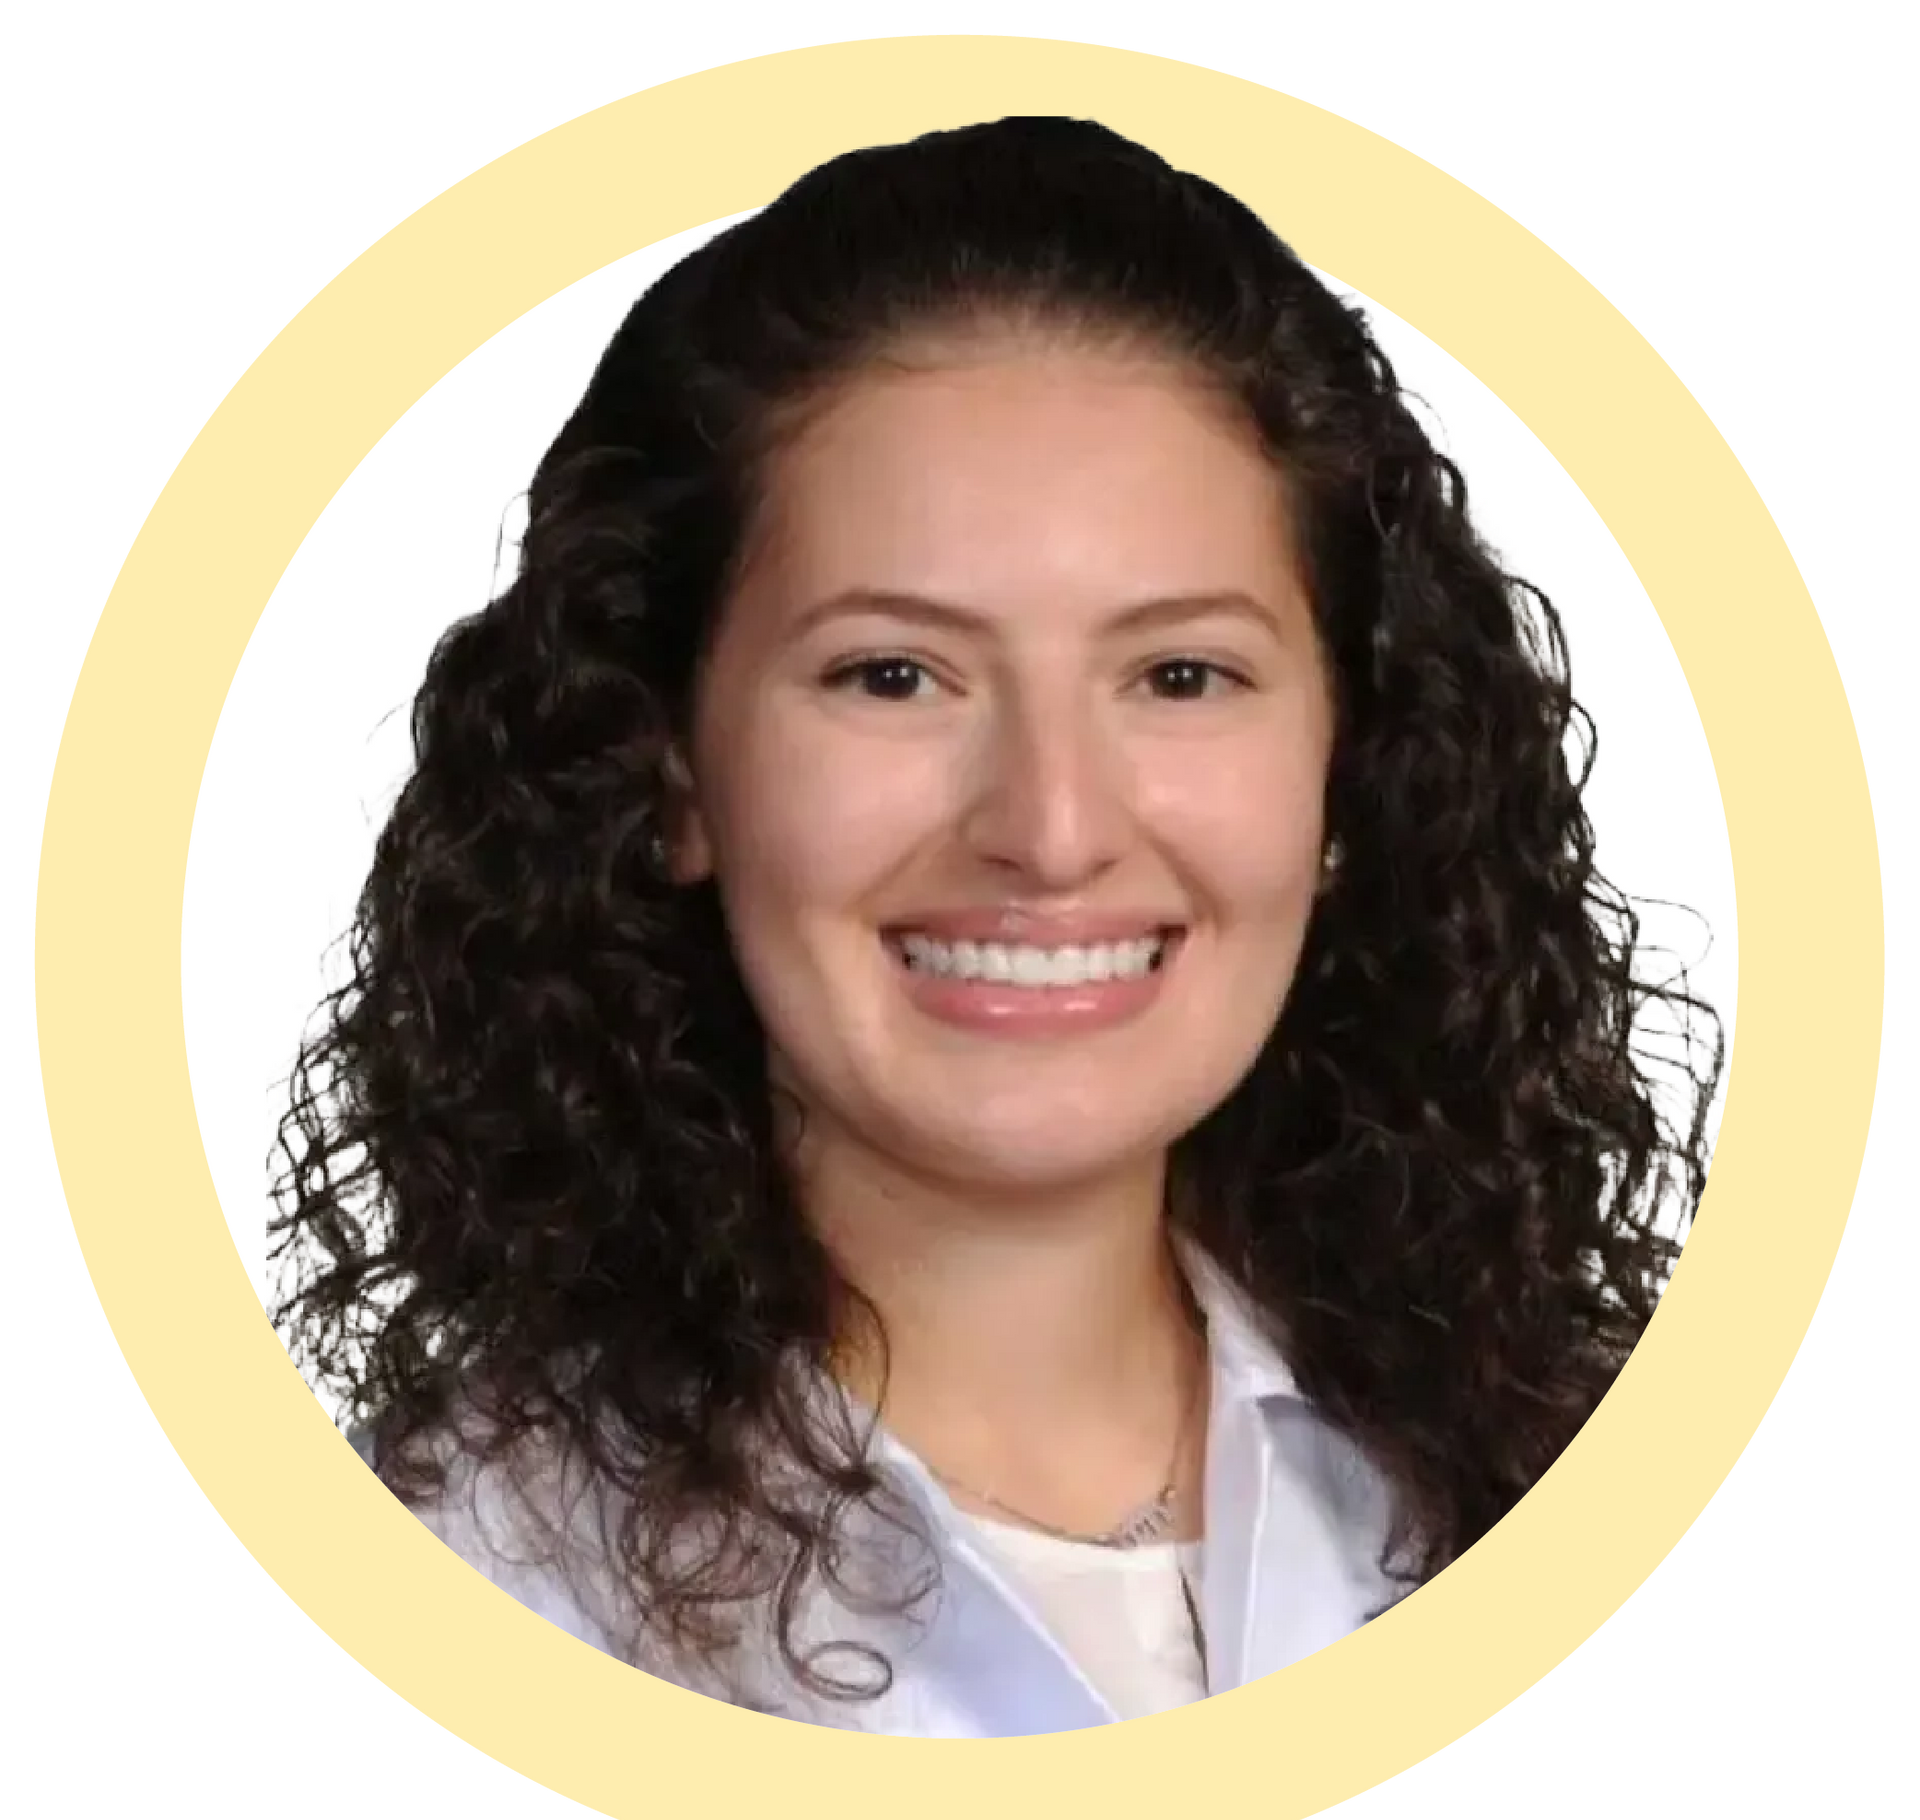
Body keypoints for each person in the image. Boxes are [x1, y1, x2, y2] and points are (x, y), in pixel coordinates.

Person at [269, 116, 1722, 1736]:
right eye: (893, 675)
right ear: (666, 772)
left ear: (1347, 776)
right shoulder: (463, 1596)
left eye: (1182, 676)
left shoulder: (1588, 1475)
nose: (1050, 830)